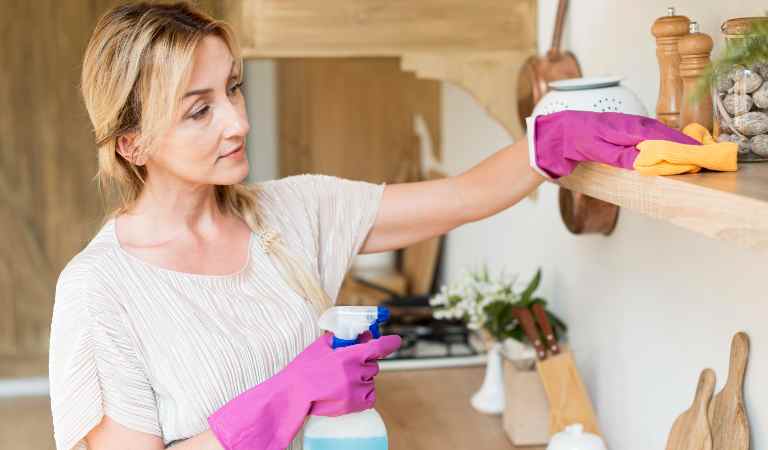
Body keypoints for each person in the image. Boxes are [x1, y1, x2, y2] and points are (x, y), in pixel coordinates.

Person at [48, 2, 703, 450]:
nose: (237, 122)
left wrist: (553, 136)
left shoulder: (291, 214)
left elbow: (461, 197)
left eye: (234, 88)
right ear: (132, 143)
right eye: (199, 110)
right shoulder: (101, 290)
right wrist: (281, 399)